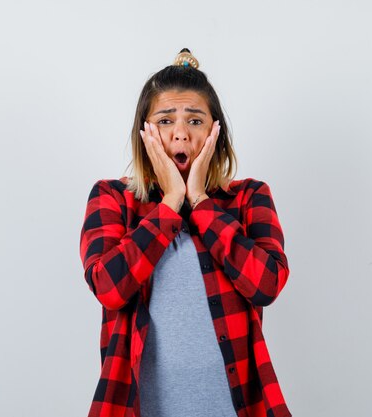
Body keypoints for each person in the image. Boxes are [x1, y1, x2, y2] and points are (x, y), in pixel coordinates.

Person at [78, 48, 292, 417]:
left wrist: (199, 200)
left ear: (215, 132)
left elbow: (266, 285)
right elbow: (109, 289)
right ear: (144, 132)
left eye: (195, 121)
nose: (180, 134)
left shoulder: (249, 197)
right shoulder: (112, 197)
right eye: (165, 120)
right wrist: (170, 203)